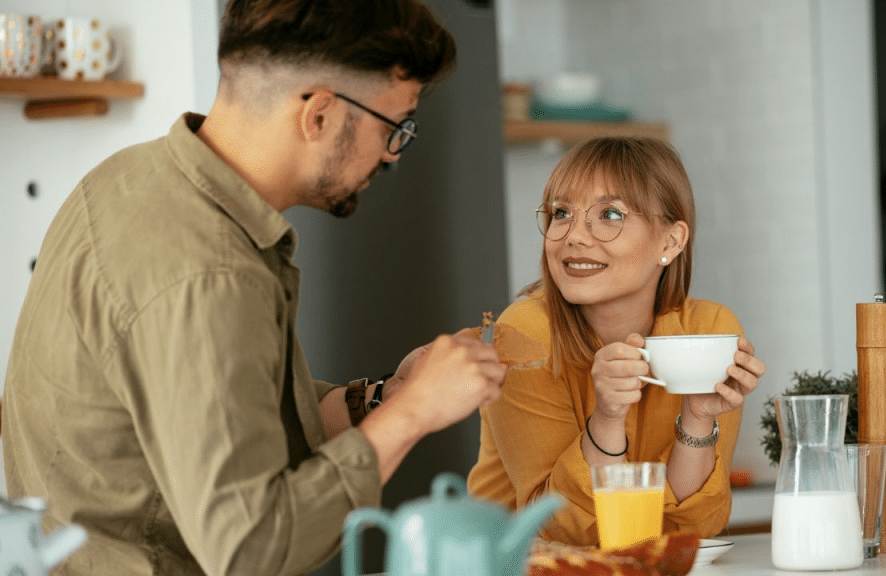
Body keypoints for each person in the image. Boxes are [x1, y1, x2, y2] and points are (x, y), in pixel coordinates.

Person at [1, 1, 506, 574]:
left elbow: (229, 413)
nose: (391, 157)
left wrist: (385, 396)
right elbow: (249, 550)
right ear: (318, 115)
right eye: (394, 129)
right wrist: (414, 413)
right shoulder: (208, 273)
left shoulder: (130, 179)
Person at [467, 137, 767, 546]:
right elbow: (555, 527)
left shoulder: (708, 329)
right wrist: (607, 419)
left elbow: (691, 529)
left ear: (671, 241)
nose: (573, 236)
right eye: (561, 213)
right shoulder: (522, 335)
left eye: (609, 214)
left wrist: (697, 418)